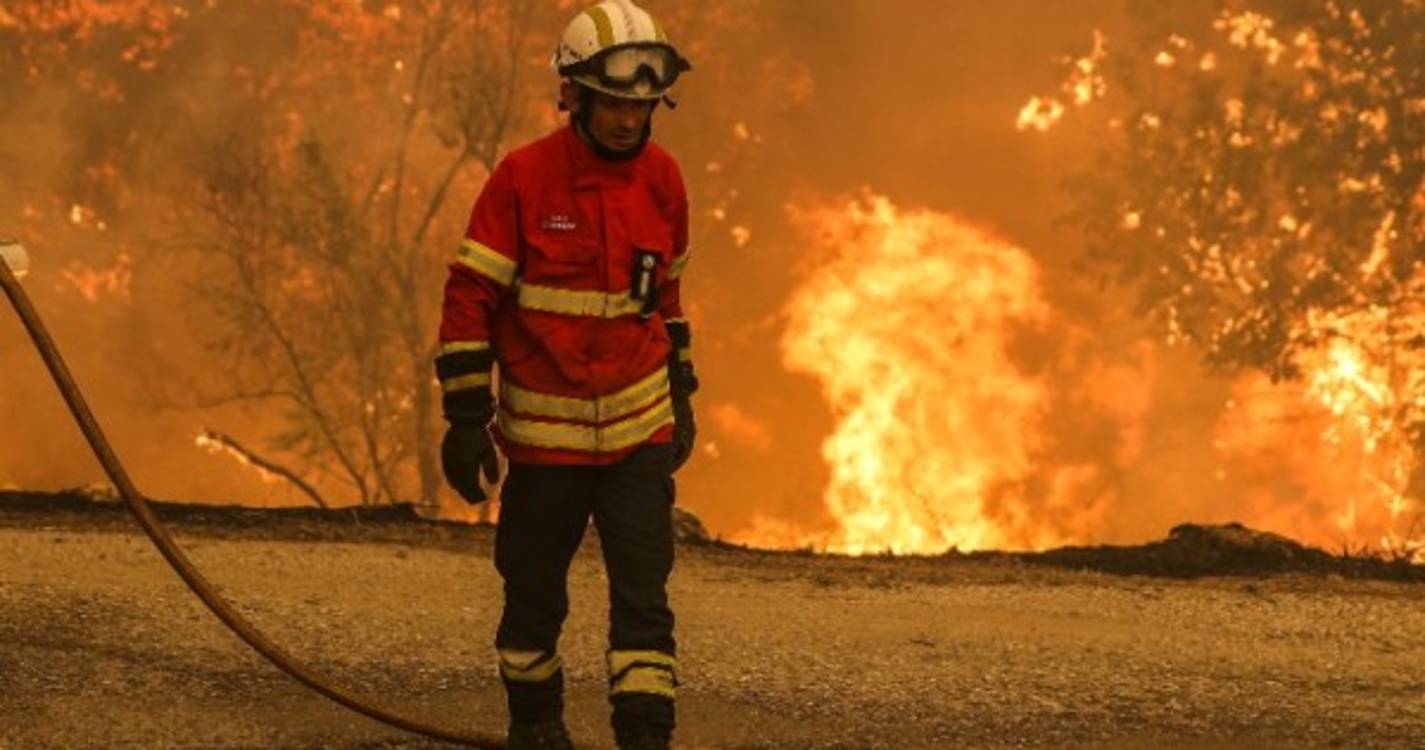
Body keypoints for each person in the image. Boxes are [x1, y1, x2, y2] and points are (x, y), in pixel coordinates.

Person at [433, 2, 698, 749]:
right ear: (574, 95)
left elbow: (666, 296)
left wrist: (680, 384)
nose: (627, 120)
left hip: (637, 439)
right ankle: (537, 726)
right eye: (614, 101)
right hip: (544, 449)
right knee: (531, 600)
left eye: (641, 105)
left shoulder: (666, 181)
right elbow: (469, 295)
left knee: (644, 605)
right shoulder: (523, 179)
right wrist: (462, 417)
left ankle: (645, 738)